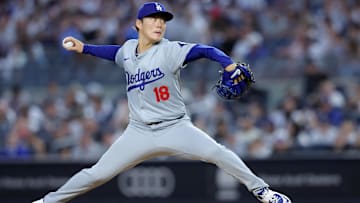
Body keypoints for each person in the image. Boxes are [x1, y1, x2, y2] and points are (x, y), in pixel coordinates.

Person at [33, 2, 291, 203]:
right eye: (153, 19)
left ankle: (263, 192)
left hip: (175, 127)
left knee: (217, 153)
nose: (159, 24)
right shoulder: (128, 50)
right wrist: (85, 48)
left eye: (163, 20)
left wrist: (229, 63)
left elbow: (205, 50)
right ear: (138, 24)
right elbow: (114, 53)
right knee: (97, 174)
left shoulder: (169, 49)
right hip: (138, 131)